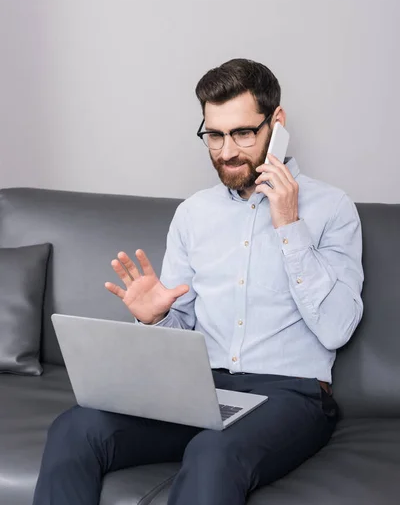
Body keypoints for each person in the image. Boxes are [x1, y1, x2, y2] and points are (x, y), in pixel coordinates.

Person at [33, 58, 364, 505]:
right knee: (75, 427)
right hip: (196, 391)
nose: (227, 151)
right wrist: (156, 319)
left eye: (243, 133)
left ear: (277, 123)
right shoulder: (193, 214)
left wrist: (289, 226)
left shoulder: (333, 208)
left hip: (290, 394)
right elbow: (179, 335)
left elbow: (337, 328)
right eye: (214, 135)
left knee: (213, 452)